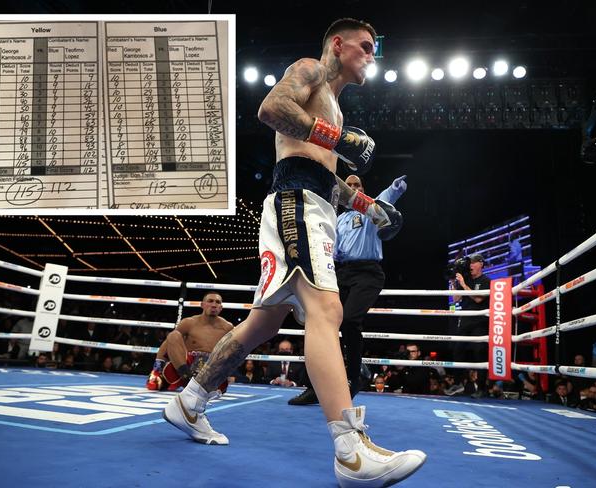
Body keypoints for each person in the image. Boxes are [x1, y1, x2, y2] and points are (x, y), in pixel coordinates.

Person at [163, 18, 426, 486]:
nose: (371, 55)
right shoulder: (309, 71)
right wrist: (340, 139)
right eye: (365, 47)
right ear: (338, 45)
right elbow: (271, 108)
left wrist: (371, 206)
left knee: (262, 323)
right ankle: (350, 452)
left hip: (312, 204)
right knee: (326, 310)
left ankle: (188, 402)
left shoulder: (336, 109)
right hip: (295, 204)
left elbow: (325, 175)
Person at [288, 173, 407, 405]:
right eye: (348, 185)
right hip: (341, 272)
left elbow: (386, 197)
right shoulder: (337, 218)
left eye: (356, 185)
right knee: (321, 324)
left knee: (350, 320)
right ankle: (315, 387)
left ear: (362, 189)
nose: (351, 188)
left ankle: (354, 378)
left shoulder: (372, 209)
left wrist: (396, 188)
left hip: (368, 273)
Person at [146, 292, 234, 392]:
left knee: (234, 346)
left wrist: (226, 372)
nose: (214, 305)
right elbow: (168, 342)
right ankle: (187, 379)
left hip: (210, 368)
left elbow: (234, 351)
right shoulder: (189, 322)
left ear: (220, 307)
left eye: (217, 302)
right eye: (210, 301)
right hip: (185, 367)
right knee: (173, 335)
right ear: (202, 305)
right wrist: (156, 370)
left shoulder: (228, 327)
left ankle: (196, 384)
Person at [451, 253, 490, 394]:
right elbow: (455, 299)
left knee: (479, 352)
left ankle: (481, 387)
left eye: (474, 262)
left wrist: (463, 284)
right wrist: (454, 282)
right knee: (457, 350)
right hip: (466, 319)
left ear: (481, 264)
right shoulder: (465, 279)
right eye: (470, 263)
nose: (471, 265)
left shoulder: (486, 280)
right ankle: (458, 384)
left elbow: (478, 299)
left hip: (480, 320)